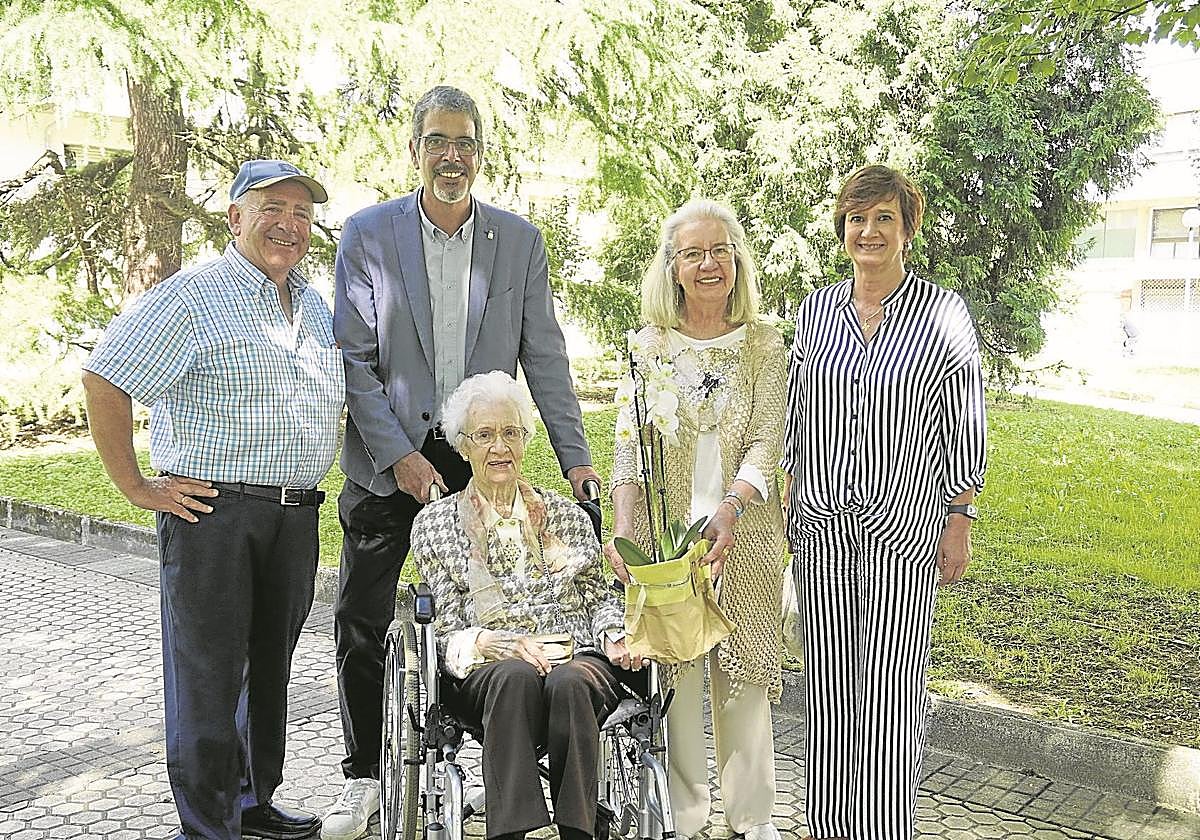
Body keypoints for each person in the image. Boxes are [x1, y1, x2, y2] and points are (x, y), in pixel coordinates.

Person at [326, 85, 601, 840]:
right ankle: (367, 777)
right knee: (362, 618)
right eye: (439, 142)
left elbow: (546, 357)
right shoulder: (368, 234)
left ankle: (502, 761)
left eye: (466, 143)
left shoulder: (518, 242)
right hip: (388, 455)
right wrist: (400, 458)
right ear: (415, 150)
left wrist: (576, 461)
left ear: (480, 154)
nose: (453, 156)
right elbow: (354, 361)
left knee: (505, 600)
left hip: (486, 450)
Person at [82, 160, 343, 840]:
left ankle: (252, 805)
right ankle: (207, 827)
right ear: (235, 217)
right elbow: (105, 376)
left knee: (269, 675)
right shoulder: (194, 296)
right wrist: (136, 486)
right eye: (271, 209)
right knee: (209, 680)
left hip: (295, 514)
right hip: (213, 515)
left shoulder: (313, 304)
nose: (288, 224)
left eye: (301, 213)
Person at [781, 165, 987, 840]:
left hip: (905, 529)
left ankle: (886, 827)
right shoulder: (815, 311)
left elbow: (964, 420)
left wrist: (959, 517)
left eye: (883, 219)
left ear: (908, 229)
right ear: (843, 228)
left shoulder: (943, 313)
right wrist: (792, 508)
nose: (868, 231)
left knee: (891, 698)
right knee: (828, 697)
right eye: (856, 219)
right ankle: (826, 825)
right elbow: (796, 413)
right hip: (822, 528)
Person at [607, 198, 788, 840]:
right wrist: (622, 531)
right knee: (676, 677)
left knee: (745, 676)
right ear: (673, 267)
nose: (708, 265)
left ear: (737, 261)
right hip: (667, 541)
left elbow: (768, 436)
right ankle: (682, 814)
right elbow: (628, 445)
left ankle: (752, 817)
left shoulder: (765, 343)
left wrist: (732, 505)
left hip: (746, 535)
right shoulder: (648, 346)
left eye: (720, 251)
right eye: (693, 254)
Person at [410, 370, 642, 840]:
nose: (500, 448)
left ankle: (578, 830)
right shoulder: (435, 525)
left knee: (570, 682)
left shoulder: (567, 516)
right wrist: (490, 642)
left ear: (525, 440)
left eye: (511, 433)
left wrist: (614, 635)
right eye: (484, 435)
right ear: (463, 446)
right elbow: (447, 626)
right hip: (490, 669)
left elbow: (597, 595)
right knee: (515, 677)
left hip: (573, 655)